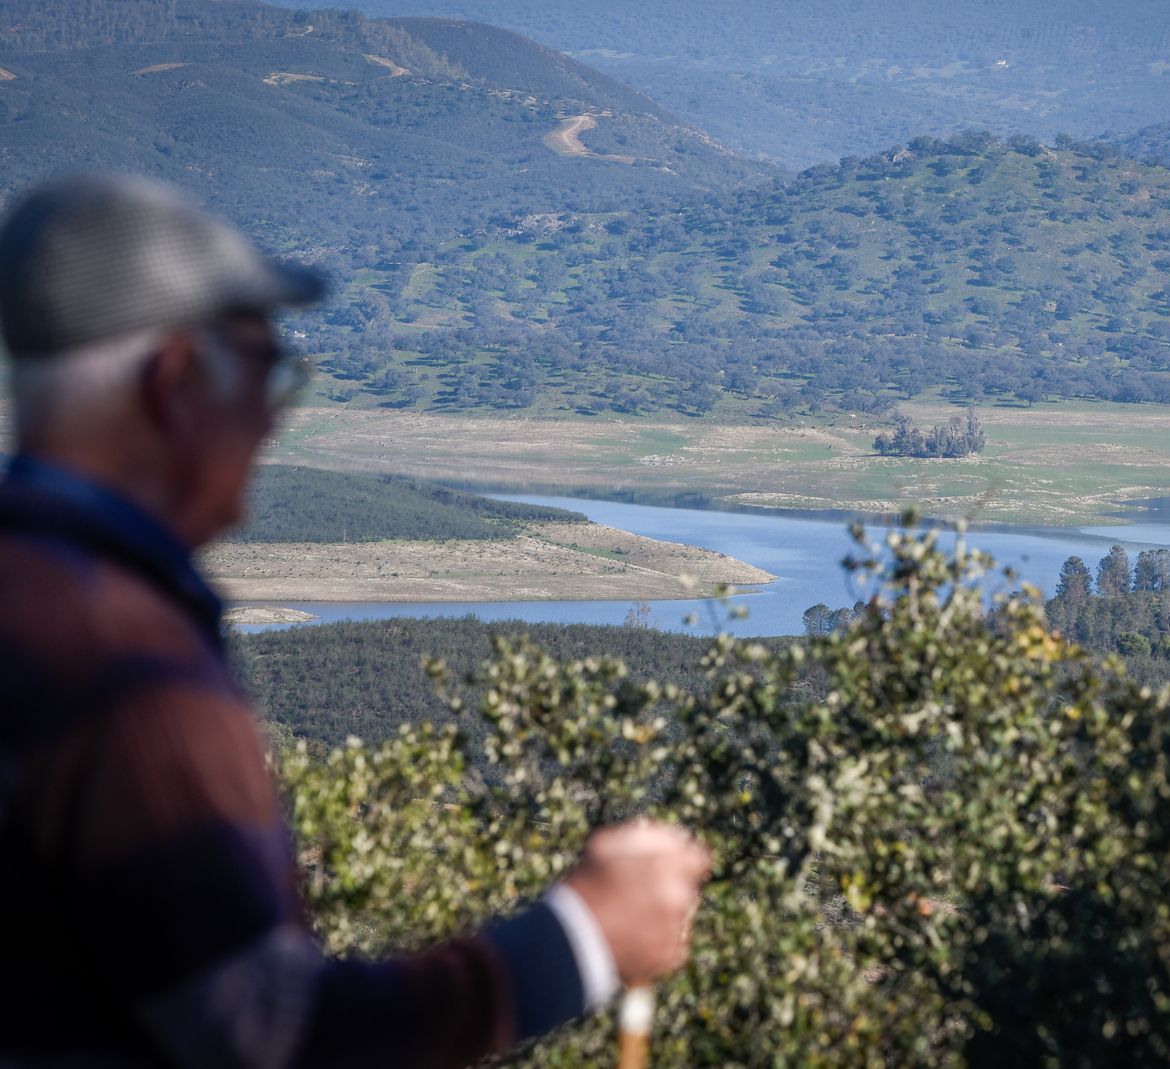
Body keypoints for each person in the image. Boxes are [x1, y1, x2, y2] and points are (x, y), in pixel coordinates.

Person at [0, 174, 711, 1067]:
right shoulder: (124, 663)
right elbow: (271, 1037)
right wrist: (583, 938)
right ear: (175, 379)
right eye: (267, 369)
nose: (273, 418)